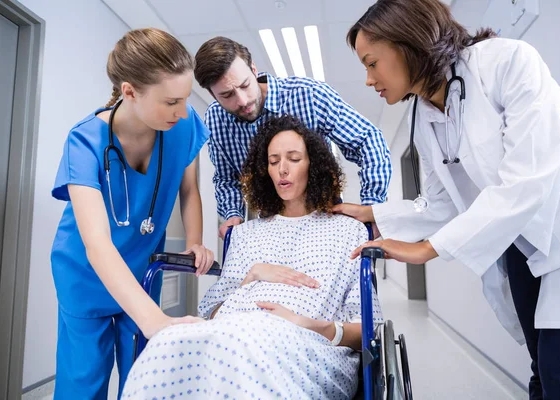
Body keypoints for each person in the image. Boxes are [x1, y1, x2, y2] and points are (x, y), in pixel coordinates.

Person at [333, 0, 560, 398]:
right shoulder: (424, 116)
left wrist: (426, 250)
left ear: (407, 43)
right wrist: (370, 212)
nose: (369, 79)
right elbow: (442, 204)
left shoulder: (507, 62)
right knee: (542, 368)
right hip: (523, 245)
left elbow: (526, 180)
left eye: (372, 63)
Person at [121, 115, 383, 399]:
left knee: (238, 347)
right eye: (273, 162)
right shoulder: (246, 234)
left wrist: (308, 324)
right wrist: (252, 276)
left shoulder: (348, 231)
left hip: (303, 341)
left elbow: (368, 328)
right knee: (167, 343)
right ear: (264, 171)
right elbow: (210, 312)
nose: (282, 169)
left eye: (294, 159)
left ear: (314, 166)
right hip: (231, 329)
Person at [50, 28, 216, 399]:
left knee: (144, 377)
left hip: (142, 271)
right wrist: (154, 319)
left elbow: (188, 190)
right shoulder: (84, 143)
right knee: (84, 384)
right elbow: (97, 246)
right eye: (171, 101)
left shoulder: (183, 124)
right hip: (86, 273)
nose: (182, 111)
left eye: (186, 98)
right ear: (129, 92)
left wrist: (194, 241)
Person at [193, 36, 393, 237]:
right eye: (227, 95)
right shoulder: (216, 119)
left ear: (253, 69)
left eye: (245, 85)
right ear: (213, 95)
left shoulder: (309, 95)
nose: (242, 101)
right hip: (270, 224)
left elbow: (368, 141)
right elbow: (226, 179)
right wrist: (232, 213)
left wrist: (371, 208)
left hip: (324, 218)